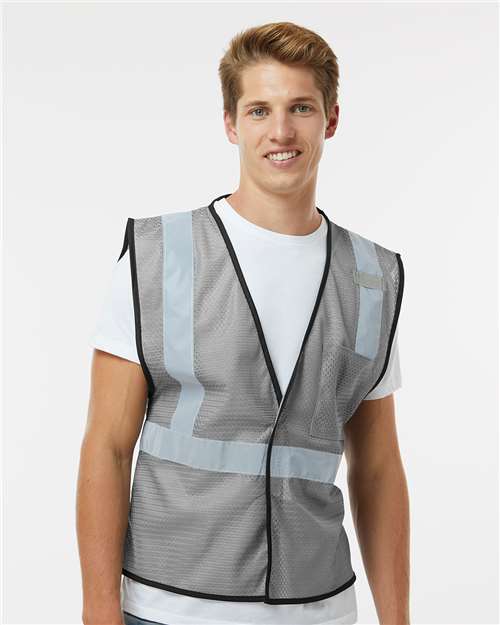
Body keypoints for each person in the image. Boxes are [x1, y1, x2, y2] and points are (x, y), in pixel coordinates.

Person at [76, 21, 410, 625]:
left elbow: (379, 467)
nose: (281, 132)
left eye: (301, 107)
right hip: (168, 606)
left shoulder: (372, 276)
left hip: (321, 609)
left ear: (331, 119)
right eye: (259, 110)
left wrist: (399, 619)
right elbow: (107, 446)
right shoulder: (160, 257)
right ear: (231, 123)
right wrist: (99, 611)